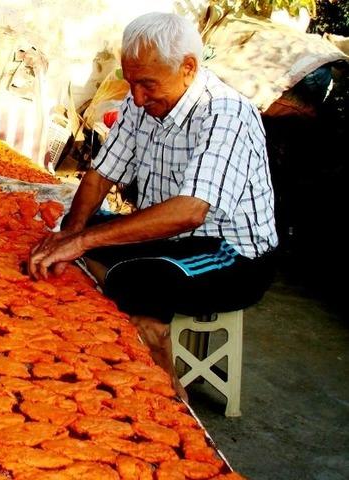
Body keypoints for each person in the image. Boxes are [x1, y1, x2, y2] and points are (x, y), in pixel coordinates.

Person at [29, 12, 278, 400]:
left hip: (232, 254)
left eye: (147, 84)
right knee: (79, 220)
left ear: (188, 68)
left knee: (139, 277)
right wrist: (72, 233)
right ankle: (118, 299)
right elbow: (98, 177)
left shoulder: (226, 113)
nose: (139, 97)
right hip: (172, 238)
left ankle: (167, 393)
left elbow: (189, 212)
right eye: (132, 83)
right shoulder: (139, 101)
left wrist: (81, 245)